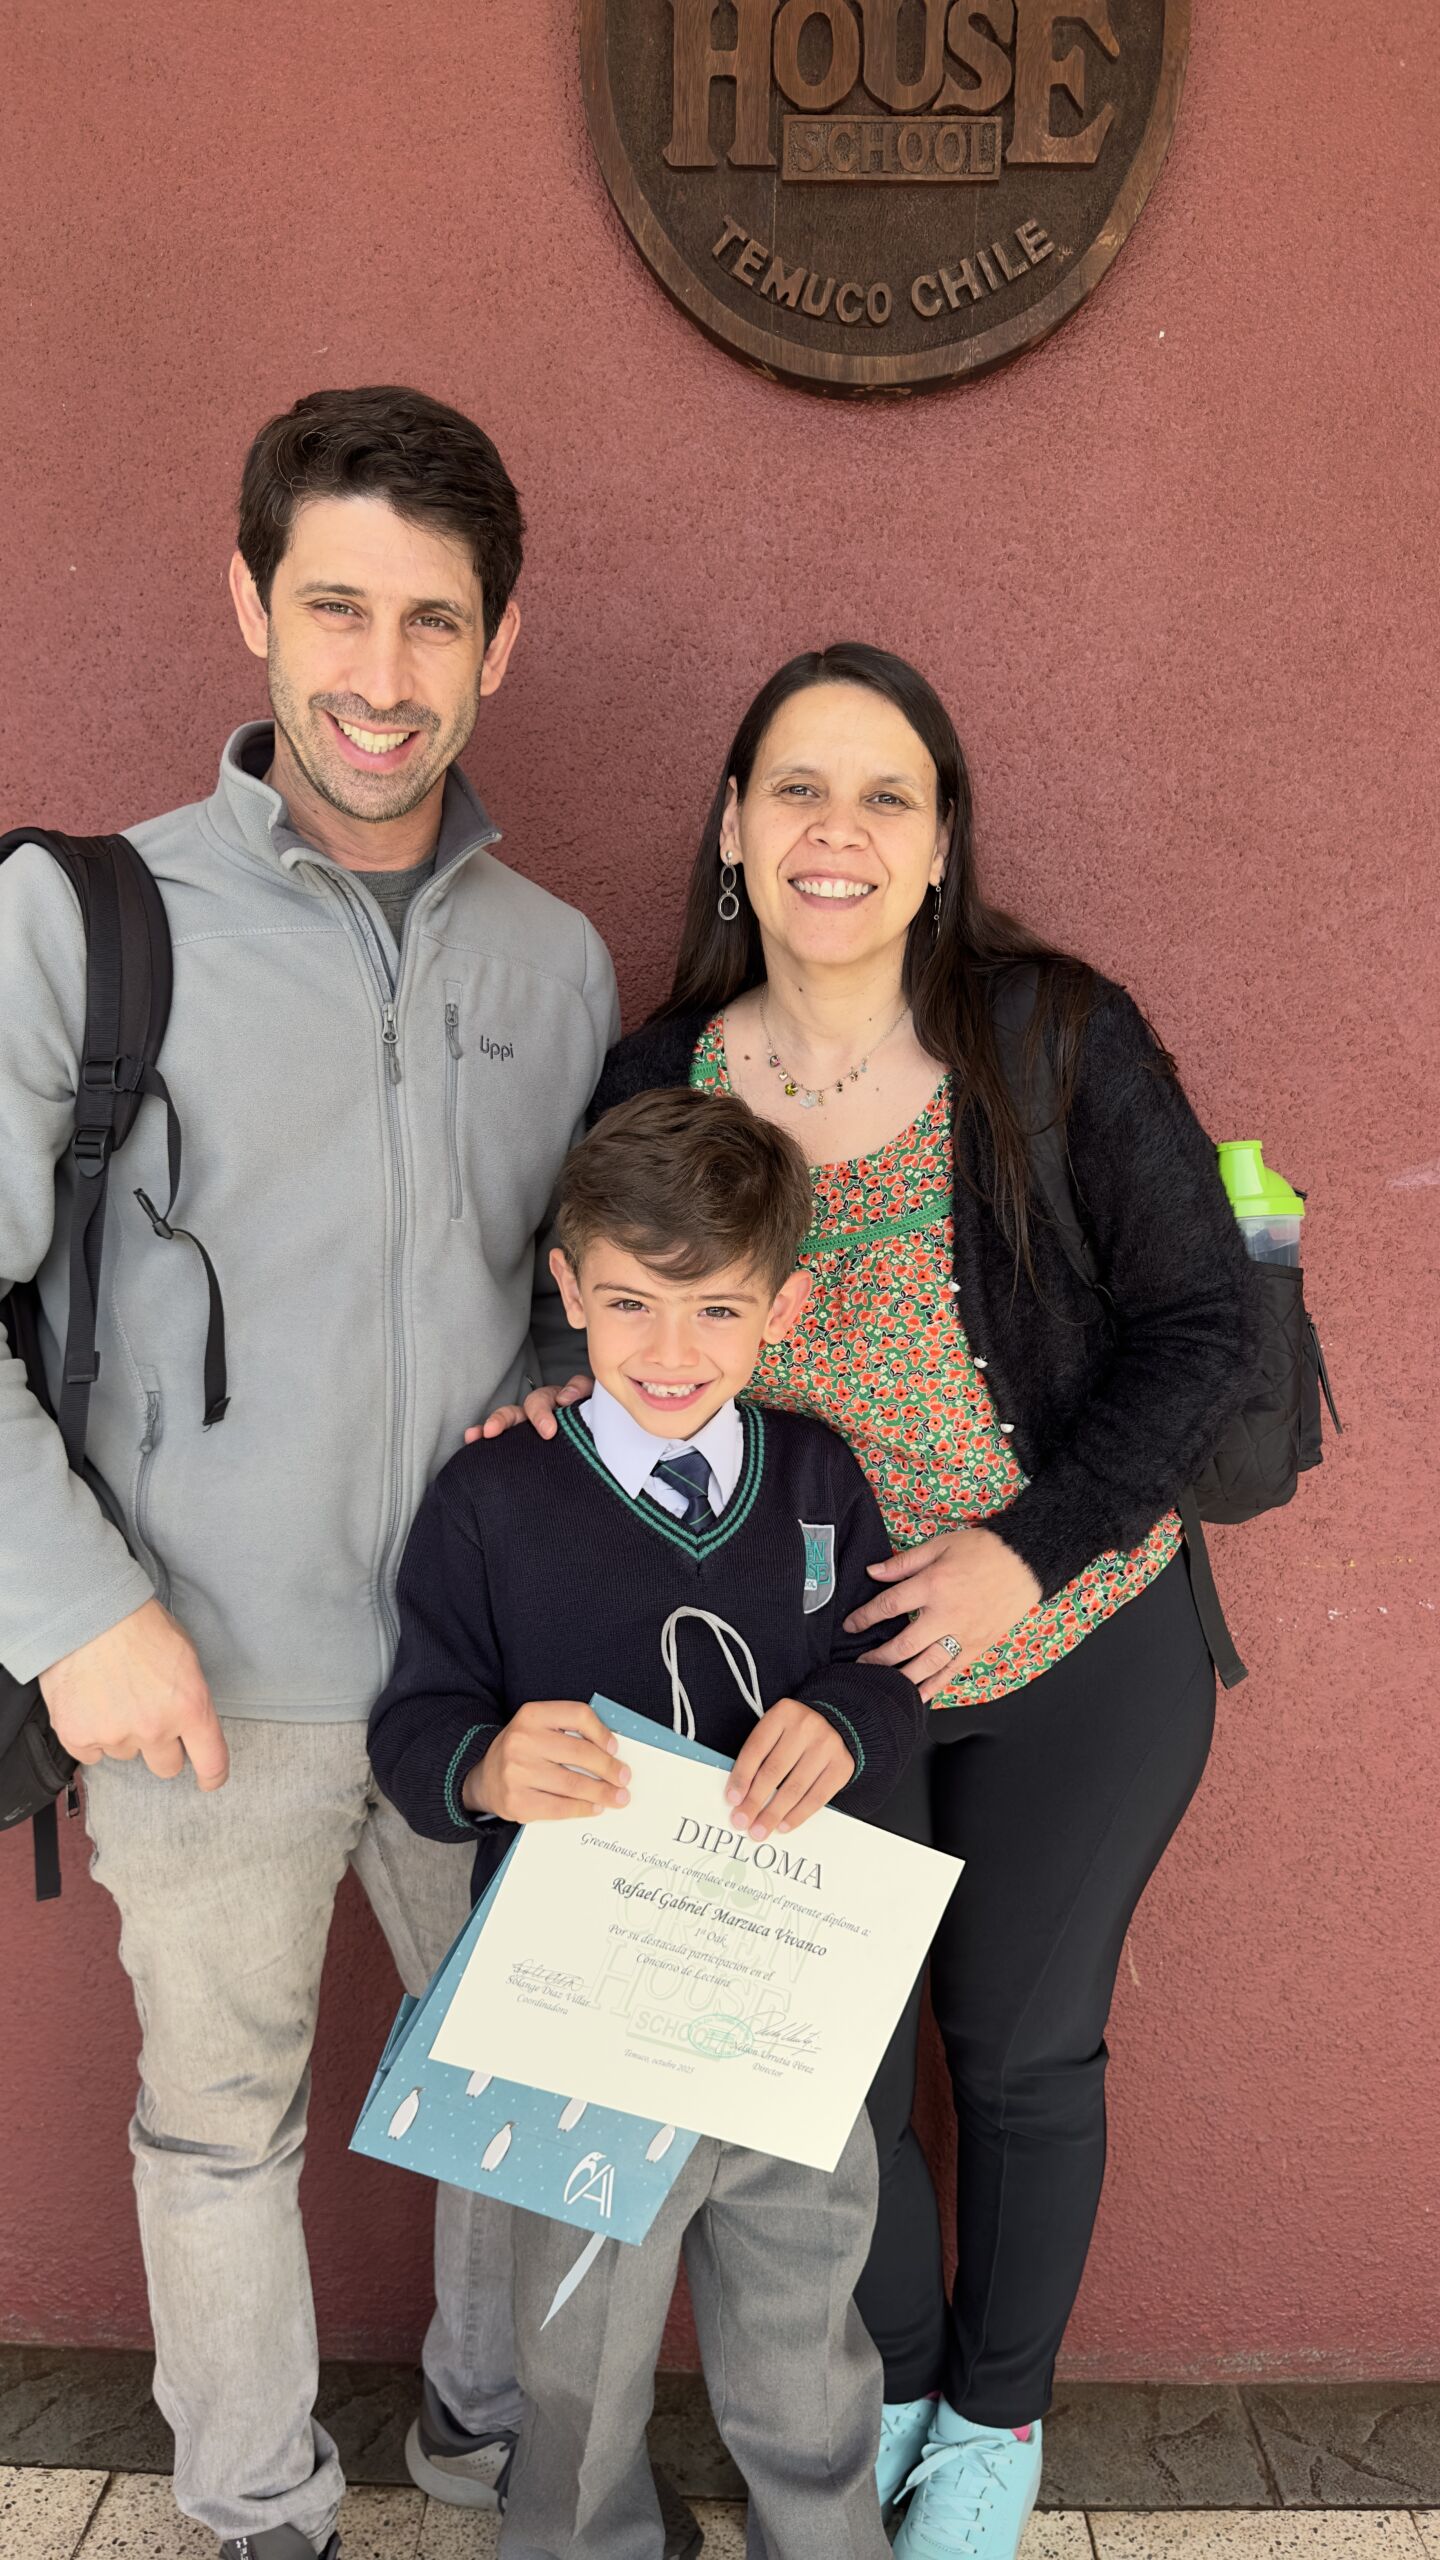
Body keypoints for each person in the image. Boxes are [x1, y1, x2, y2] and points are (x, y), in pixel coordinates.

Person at [493, 644, 1261, 2560]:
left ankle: (992, 2429)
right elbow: (605, 1306)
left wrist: (1026, 1545)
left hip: (1082, 1640)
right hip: (814, 1679)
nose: (836, 832)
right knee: (830, 2060)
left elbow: (1202, 1329)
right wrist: (551, 1388)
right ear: (732, 829)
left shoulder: (1050, 1038)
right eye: (796, 789)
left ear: (937, 844)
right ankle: (897, 2380)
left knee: (1019, 2050)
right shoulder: (662, 1072)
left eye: (885, 795)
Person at [0, 386, 623, 2560]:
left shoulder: (558, 963)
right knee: (219, 2121)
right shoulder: (83, 921)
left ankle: (486, 2440)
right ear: (249, 601)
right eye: (335, 606)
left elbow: (568, 1316)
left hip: (491, 1678)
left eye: (433, 620)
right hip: (196, 1668)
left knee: (518, 2089)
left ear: (500, 643)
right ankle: (258, 2504)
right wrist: (77, 1611)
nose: (380, 673)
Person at [370, 1084, 927, 2560]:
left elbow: (889, 1676)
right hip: (585, 2028)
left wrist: (850, 1722)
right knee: (580, 2355)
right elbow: (413, 1726)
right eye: (629, 1304)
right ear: (568, 1292)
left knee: (808, 2331)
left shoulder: (817, 1478)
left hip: (786, 2006)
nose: (671, 1352)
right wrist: (485, 1769)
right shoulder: (493, 1498)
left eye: (718, 1311)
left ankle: (825, 2539)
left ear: (784, 1308)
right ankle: (585, 2540)